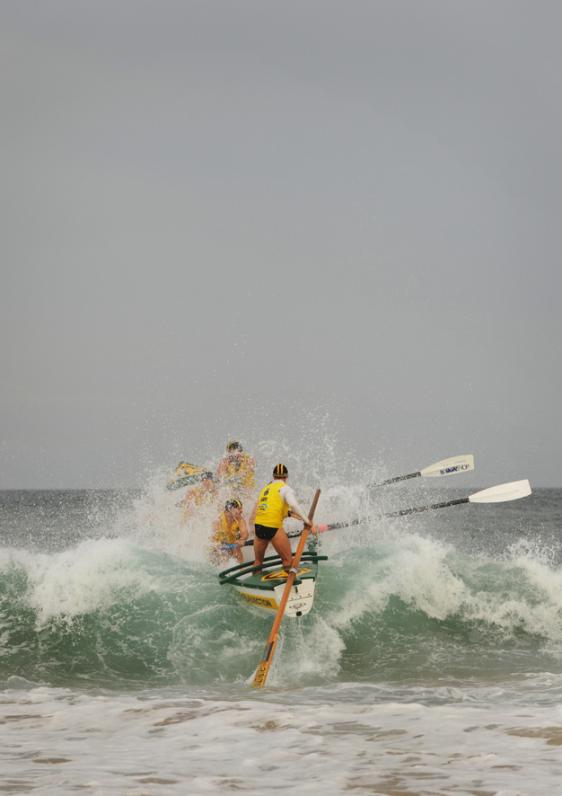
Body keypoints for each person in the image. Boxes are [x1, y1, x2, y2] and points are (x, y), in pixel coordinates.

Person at [249, 463, 313, 573]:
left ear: (273, 477)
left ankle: (254, 583)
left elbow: (273, 509)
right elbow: (293, 504)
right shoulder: (285, 488)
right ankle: (289, 583)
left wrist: (297, 516)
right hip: (273, 527)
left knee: (258, 562)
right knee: (288, 560)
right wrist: (307, 521)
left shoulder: (265, 489)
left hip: (258, 527)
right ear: (286, 477)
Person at [210, 498, 249, 564]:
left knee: (237, 550)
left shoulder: (240, 519)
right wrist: (219, 546)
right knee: (216, 552)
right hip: (218, 544)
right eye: (239, 509)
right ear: (231, 509)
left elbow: (245, 533)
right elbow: (213, 537)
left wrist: (242, 539)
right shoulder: (219, 519)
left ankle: (240, 569)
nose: (241, 511)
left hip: (231, 544)